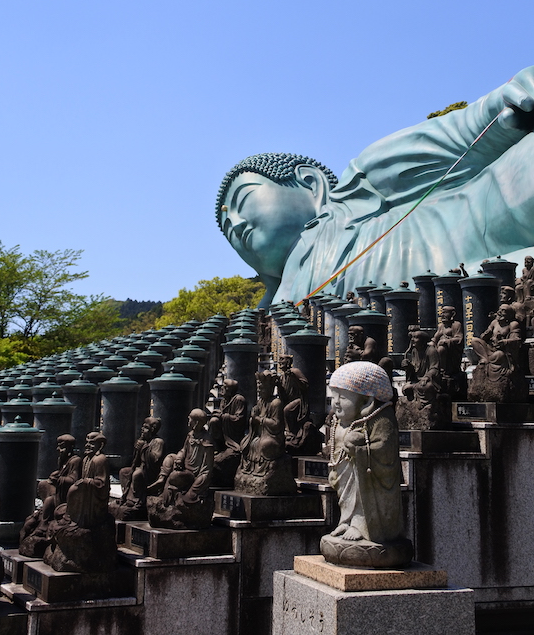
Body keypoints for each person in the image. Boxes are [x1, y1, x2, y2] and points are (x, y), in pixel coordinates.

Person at [217, 67, 534, 306]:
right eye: (227, 228)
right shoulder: (278, 304)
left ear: (311, 184)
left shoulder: (355, 193)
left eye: (244, 200)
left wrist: (498, 109)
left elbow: (454, 138)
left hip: (475, 217)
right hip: (466, 296)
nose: (235, 223)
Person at [320, 361, 412, 567]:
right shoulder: (340, 421)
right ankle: (347, 520)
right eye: (333, 396)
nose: (335, 402)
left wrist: (360, 449)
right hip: (347, 470)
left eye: (342, 397)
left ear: (366, 401)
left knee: (362, 491)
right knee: (346, 493)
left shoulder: (381, 419)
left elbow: (385, 453)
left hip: (372, 480)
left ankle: (362, 526)